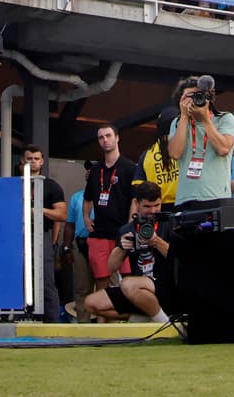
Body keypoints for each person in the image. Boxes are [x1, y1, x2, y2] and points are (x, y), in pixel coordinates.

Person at [83, 182, 171, 324]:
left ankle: (165, 323)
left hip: (165, 285)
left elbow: (179, 257)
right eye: (147, 206)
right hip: (137, 290)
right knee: (91, 302)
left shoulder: (169, 222)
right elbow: (111, 267)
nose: (153, 211)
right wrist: (122, 248)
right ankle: (144, 318)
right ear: (136, 203)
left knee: (127, 283)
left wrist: (157, 242)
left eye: (157, 205)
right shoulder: (127, 229)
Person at [167, 76, 234, 208]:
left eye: (197, 95)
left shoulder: (225, 118)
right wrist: (184, 117)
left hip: (216, 196)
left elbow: (223, 149)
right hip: (185, 198)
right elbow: (175, 153)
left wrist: (205, 119)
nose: (193, 100)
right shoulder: (177, 123)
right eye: (188, 96)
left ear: (208, 97)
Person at [82, 125, 137, 292]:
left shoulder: (130, 168)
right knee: (101, 281)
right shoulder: (95, 170)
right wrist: (86, 217)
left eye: (108, 135)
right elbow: (87, 197)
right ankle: (102, 309)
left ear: (117, 137)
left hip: (122, 233)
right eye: (101, 137)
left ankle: (129, 310)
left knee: (129, 280)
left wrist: (130, 225)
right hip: (99, 233)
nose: (105, 140)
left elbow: (135, 199)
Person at [23, 145, 66, 322]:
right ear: (23, 161)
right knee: (19, 280)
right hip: (17, 237)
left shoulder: (51, 186)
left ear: (42, 162)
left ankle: (53, 324)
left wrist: (39, 211)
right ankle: (20, 319)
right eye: (29, 158)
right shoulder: (15, 184)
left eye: (36, 159)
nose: (33, 162)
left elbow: (62, 215)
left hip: (42, 236)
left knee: (46, 281)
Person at [64, 163, 95, 322]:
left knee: (108, 286)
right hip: (81, 243)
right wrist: (66, 247)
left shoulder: (110, 195)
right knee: (82, 287)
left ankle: (108, 326)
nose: (89, 173)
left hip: (104, 243)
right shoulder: (77, 197)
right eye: (88, 171)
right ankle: (84, 324)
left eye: (93, 171)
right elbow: (69, 224)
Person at [132, 108, 180, 208]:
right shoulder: (185, 147)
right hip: (184, 203)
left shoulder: (147, 155)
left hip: (156, 207)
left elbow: (139, 187)